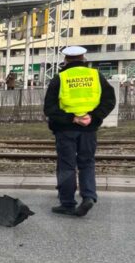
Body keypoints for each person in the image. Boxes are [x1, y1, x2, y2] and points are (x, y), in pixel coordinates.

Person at [43, 46, 115, 217]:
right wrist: (93, 117)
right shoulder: (96, 76)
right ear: (84, 58)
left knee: (66, 166)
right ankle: (89, 196)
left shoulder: (60, 78)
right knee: (87, 163)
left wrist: (72, 119)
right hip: (89, 129)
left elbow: (50, 109)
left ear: (66, 59)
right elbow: (109, 100)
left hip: (65, 129)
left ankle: (67, 203)